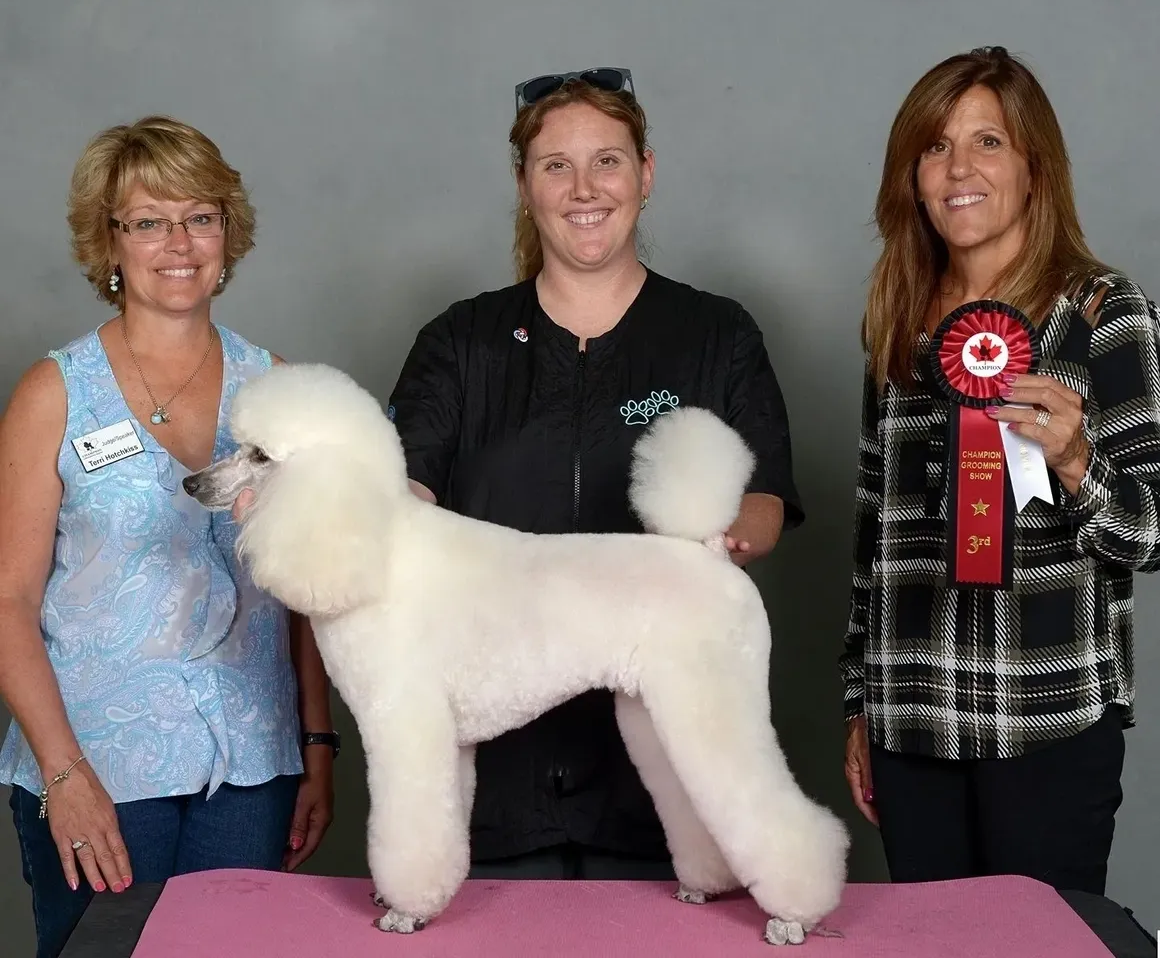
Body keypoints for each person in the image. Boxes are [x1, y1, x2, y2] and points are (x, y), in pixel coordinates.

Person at [385, 67, 804, 880]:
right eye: (556, 166)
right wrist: (353, 510)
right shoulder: (459, 341)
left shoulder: (717, 333)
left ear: (646, 173)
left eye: (607, 161)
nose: (585, 188)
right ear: (524, 185)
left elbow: (767, 496)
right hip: (499, 800)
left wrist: (725, 539)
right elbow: (407, 485)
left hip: (657, 805)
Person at [0, 117, 337, 958]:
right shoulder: (54, 392)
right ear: (110, 241)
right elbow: (8, 601)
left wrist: (317, 746)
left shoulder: (278, 388)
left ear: (228, 231)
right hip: (97, 765)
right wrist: (64, 775)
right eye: (148, 222)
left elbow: (307, 589)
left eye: (200, 217)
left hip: (252, 766)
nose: (178, 244)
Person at [840, 46, 1160, 895]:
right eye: (935, 147)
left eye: (988, 142)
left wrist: (1077, 461)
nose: (959, 169)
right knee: (927, 950)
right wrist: (859, 702)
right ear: (912, 177)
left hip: (1047, 712)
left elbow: (1153, 533)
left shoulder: (1102, 311)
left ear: (1033, 168)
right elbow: (873, 534)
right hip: (911, 716)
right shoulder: (898, 321)